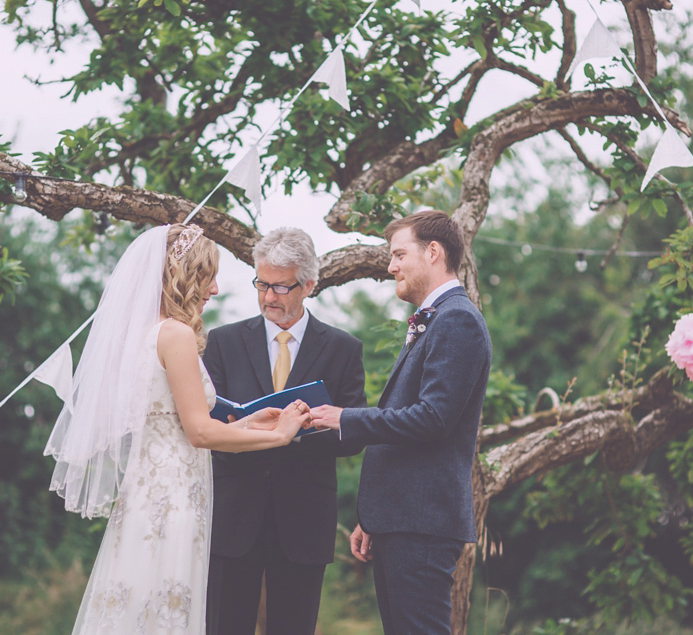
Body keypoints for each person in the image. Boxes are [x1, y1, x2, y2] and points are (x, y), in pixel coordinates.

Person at [44, 224, 311, 635]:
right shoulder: (176, 335)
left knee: (135, 599)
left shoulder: (143, 334)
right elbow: (199, 433)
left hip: (146, 492)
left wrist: (248, 423)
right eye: (208, 276)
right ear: (184, 275)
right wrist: (279, 435)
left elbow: (172, 420)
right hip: (174, 498)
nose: (216, 289)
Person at [308, 210, 491, 635]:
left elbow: (433, 419)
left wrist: (345, 418)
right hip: (403, 519)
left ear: (433, 252)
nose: (390, 267)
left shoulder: (457, 319)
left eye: (398, 254)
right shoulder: (437, 319)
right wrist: (376, 516)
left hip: (422, 524)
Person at [203, 227, 367, 635]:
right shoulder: (221, 342)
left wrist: (304, 426)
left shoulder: (344, 348)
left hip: (303, 520)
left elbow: (355, 434)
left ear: (309, 285)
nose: (267, 297)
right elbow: (207, 431)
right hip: (232, 516)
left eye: (280, 286)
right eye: (261, 283)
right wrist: (250, 431)